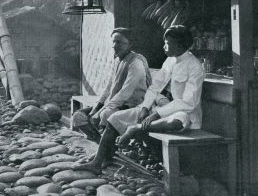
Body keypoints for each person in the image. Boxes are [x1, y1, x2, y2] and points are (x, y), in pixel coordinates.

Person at [74, 25, 204, 174]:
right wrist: (144, 108)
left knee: (176, 121)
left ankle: (135, 128)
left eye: (168, 43)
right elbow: (154, 87)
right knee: (114, 118)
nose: (164, 46)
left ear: (180, 44)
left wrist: (156, 113)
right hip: (164, 109)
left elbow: (189, 102)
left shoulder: (194, 66)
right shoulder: (170, 61)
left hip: (185, 114)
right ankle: (97, 162)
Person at [71, 28, 151, 143]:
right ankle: (100, 142)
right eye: (113, 42)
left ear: (130, 44)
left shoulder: (136, 64)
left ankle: (107, 147)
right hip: (115, 103)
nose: (114, 45)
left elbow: (125, 93)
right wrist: (96, 108)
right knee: (78, 116)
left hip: (132, 105)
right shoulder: (117, 61)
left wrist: (99, 111)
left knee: (105, 114)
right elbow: (108, 88)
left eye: (119, 42)